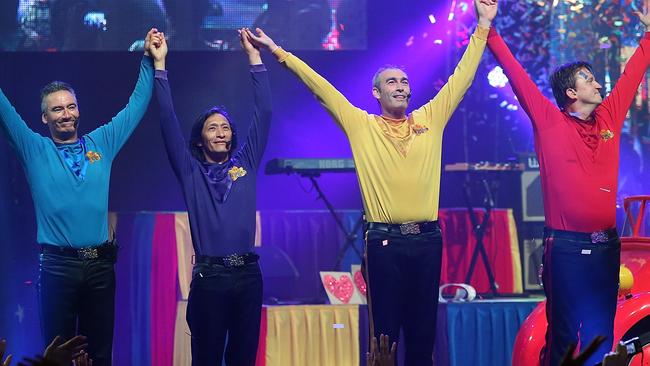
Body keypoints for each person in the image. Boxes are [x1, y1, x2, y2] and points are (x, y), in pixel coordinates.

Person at [245, 0, 497, 363]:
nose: (401, 85)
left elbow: (463, 76)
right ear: (377, 93)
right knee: (385, 340)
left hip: (427, 240)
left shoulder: (431, 118)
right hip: (384, 243)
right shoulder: (362, 125)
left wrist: (483, 25)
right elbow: (320, 87)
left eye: (404, 81)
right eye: (391, 81)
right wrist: (278, 52)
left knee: (423, 336)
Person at [485, 3, 650, 365]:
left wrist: (649, 33)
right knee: (562, 337)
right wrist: (490, 30)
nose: (597, 83)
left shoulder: (608, 116)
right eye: (588, 79)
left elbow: (633, 75)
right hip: (566, 250)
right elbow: (516, 75)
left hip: (606, 248)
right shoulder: (549, 121)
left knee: (601, 338)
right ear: (571, 93)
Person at [0, 28, 160, 366]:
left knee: (100, 354)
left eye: (71, 106)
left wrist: (149, 59)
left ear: (79, 111)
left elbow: (135, 107)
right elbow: (4, 109)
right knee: (57, 355)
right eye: (57, 109)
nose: (66, 114)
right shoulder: (34, 148)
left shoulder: (101, 142)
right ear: (45, 117)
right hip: (57, 267)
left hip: (100, 267)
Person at [153, 28, 272, 365]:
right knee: (205, 358)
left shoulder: (245, 163)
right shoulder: (191, 172)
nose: (221, 132)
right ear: (200, 139)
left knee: (243, 358)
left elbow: (263, 114)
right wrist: (160, 67)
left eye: (226, 127)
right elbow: (166, 121)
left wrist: (254, 57)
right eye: (212, 128)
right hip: (210, 279)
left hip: (248, 276)